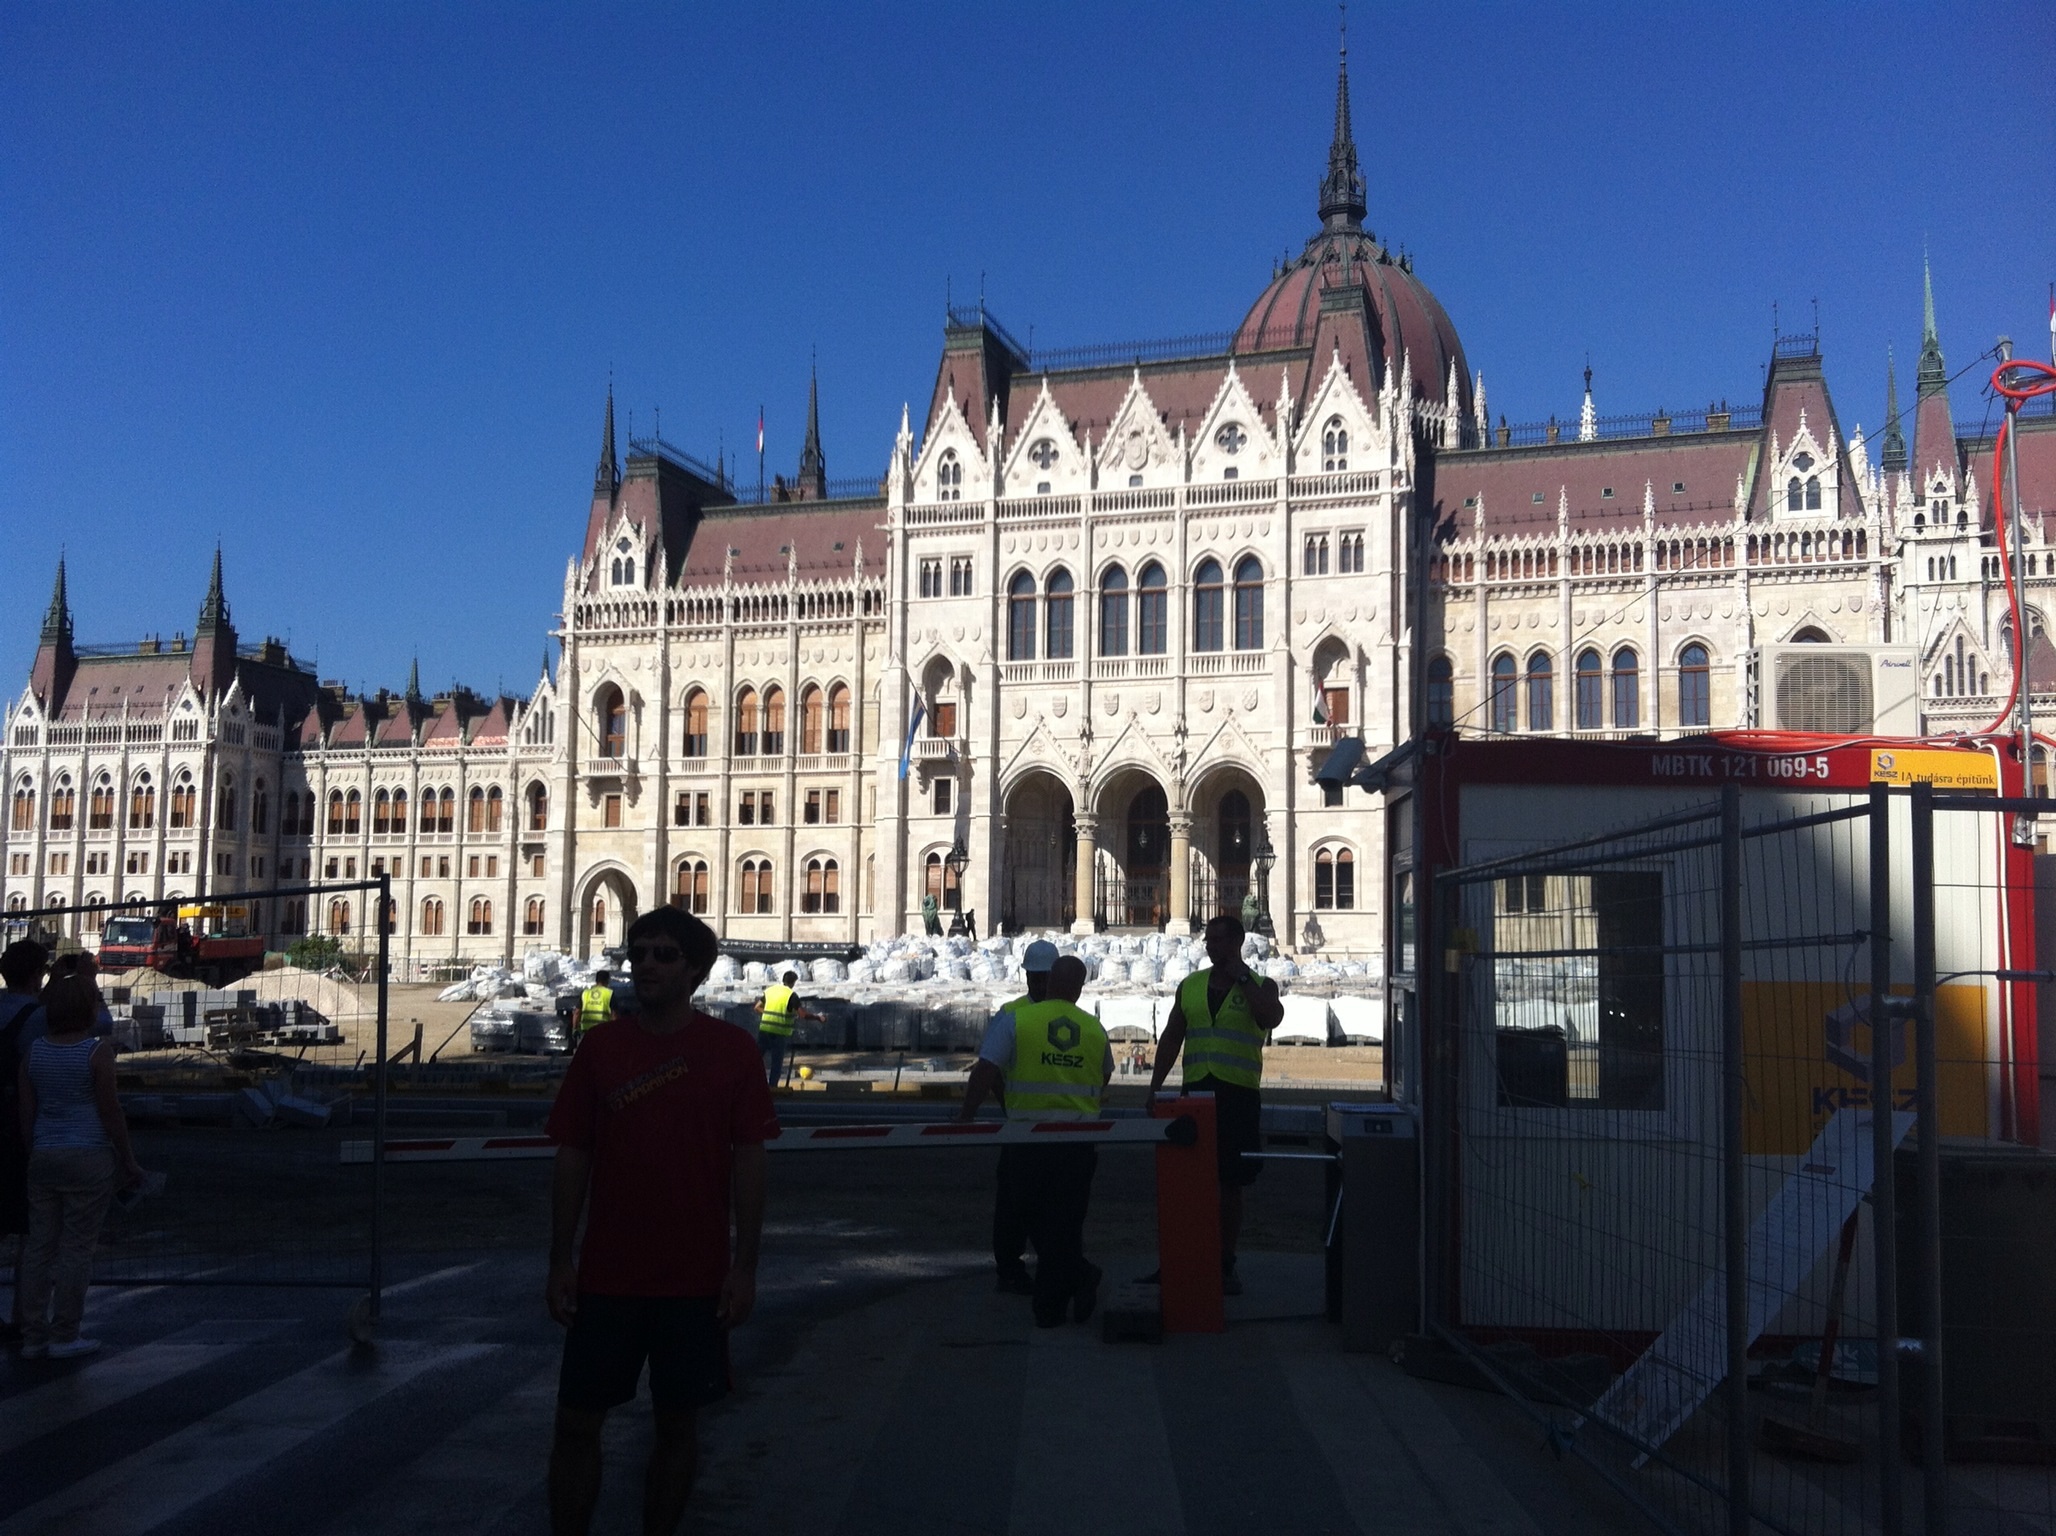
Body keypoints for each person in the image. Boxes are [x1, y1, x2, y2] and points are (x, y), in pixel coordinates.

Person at [544, 906, 777, 1536]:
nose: (645, 964)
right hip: (606, 1278)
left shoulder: (732, 1052)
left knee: (677, 1426)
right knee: (575, 1423)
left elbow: (750, 1160)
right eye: (638, 953)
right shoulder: (601, 1048)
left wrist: (745, 1267)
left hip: (694, 1281)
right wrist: (560, 1259)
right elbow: (573, 1153)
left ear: (695, 971)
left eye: (663, 954)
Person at [960, 954, 1111, 1328]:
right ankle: (1066, 1290)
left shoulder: (1017, 1020)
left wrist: (966, 1117)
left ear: (1047, 980)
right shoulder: (1094, 1028)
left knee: (1031, 1214)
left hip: (1028, 1139)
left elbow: (986, 1070)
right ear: (1079, 989)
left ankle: (1057, 1299)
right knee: (1064, 1222)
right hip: (1078, 1143)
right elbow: (1104, 1076)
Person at [1148, 913, 1284, 1296]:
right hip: (1196, 1092)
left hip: (1237, 1096)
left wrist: (1242, 977)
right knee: (1190, 1182)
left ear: (1237, 942)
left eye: (1218, 940)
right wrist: (1155, 1087)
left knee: (1231, 1183)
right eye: (1208, 940)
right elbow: (1172, 1038)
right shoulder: (1190, 986)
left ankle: (1225, 1262)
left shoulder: (1261, 985)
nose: (1211, 947)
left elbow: (1270, 1017)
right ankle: (1182, 1258)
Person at [17, 971, 146, 1359]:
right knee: (76, 1248)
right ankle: (65, 1333)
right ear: (88, 1008)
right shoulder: (96, 1052)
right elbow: (110, 1111)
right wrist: (128, 1159)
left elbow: (26, 1112)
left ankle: (32, 1335)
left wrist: (34, 1151)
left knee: (39, 1247)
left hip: (44, 1154)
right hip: (88, 1155)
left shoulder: (34, 1052)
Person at [972, 939, 1058, 1294]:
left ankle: (1053, 1263)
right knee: (1013, 1202)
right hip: (1021, 1126)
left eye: (1045, 977)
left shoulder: (1068, 1015)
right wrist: (1007, 1104)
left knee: (1051, 1203)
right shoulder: (1011, 1014)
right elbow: (989, 1069)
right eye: (1035, 977)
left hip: (1058, 1127)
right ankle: (1010, 1267)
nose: (1039, 983)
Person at [0, 940, 49, 1346]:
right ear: (37, 976)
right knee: (29, 1229)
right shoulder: (36, 1018)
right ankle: (23, 1316)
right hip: (16, 1126)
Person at [750, 968, 822, 1087]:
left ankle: (749, 1083)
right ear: (793, 982)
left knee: (756, 1060)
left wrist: (768, 1013)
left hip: (764, 1030)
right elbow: (803, 1015)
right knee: (776, 1063)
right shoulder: (791, 995)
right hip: (779, 1033)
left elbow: (757, 1007)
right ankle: (772, 1087)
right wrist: (818, 1017)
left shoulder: (771, 991)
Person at [575, 970, 615, 1049]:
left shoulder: (585, 993)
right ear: (607, 980)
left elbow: (577, 1012)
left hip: (586, 1030)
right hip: (603, 1031)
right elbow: (614, 1015)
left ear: (596, 980)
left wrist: (575, 1028)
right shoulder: (609, 993)